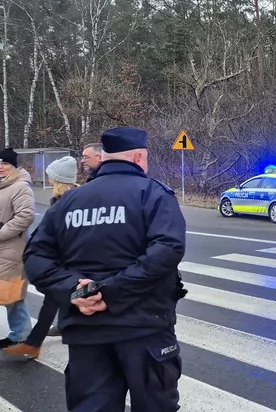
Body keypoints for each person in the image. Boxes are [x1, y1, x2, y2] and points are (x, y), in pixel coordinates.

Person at [23, 127, 187, 411]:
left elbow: (35, 256)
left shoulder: (68, 202)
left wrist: (77, 291)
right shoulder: (154, 194)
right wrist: (110, 292)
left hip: (86, 331)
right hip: (144, 327)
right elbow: (167, 249)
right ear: (138, 157)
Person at [4, 156, 79, 359]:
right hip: (62, 257)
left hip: (66, 257)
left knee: (55, 297)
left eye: (51, 176)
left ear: (58, 179)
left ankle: (34, 342)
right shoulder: (61, 199)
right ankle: (51, 333)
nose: (49, 179)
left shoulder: (69, 200)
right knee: (57, 298)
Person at [0, 148, 36, 350]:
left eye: (4, 163)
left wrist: (1, 232)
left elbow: (25, 217)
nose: (0, 167)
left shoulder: (20, 187)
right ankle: (20, 333)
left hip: (11, 250)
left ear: (13, 166)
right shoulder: (2, 186)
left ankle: (21, 335)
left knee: (11, 294)